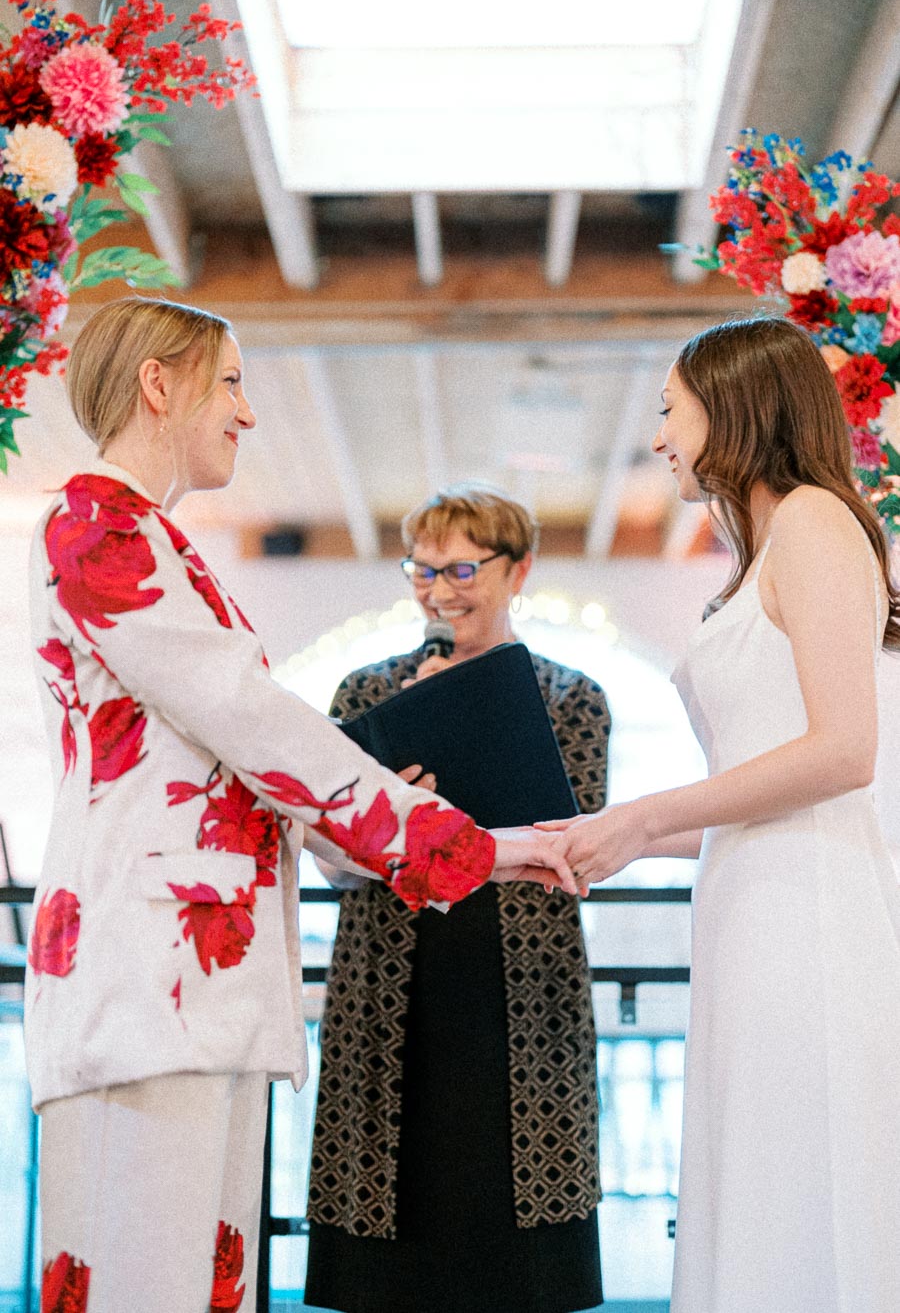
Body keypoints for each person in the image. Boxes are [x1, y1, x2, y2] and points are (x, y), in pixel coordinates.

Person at [24, 298, 573, 1313]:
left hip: (195, 977)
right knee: (141, 1282)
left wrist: (462, 848)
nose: (248, 412)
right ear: (160, 383)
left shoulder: (151, 537)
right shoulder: (93, 523)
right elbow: (252, 722)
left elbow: (249, 759)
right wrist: (468, 848)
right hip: (145, 981)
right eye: (230, 382)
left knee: (196, 1280)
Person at [541, 316, 900, 1313]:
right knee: (761, 1178)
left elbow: (843, 753)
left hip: (811, 914)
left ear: (734, 403)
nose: (660, 438)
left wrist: (648, 814)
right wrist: (604, 833)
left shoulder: (818, 525)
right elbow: (758, 782)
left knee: (804, 1186)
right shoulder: (770, 547)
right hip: (754, 903)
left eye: (670, 410)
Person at [304, 486, 611, 1313]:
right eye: (424, 570)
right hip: (390, 979)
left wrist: (447, 793)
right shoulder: (364, 694)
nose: (441, 590)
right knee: (392, 1216)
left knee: (513, 1238)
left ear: (520, 572)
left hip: (521, 985)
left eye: (464, 568)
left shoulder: (571, 697)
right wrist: (380, 826)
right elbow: (327, 852)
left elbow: (572, 838)